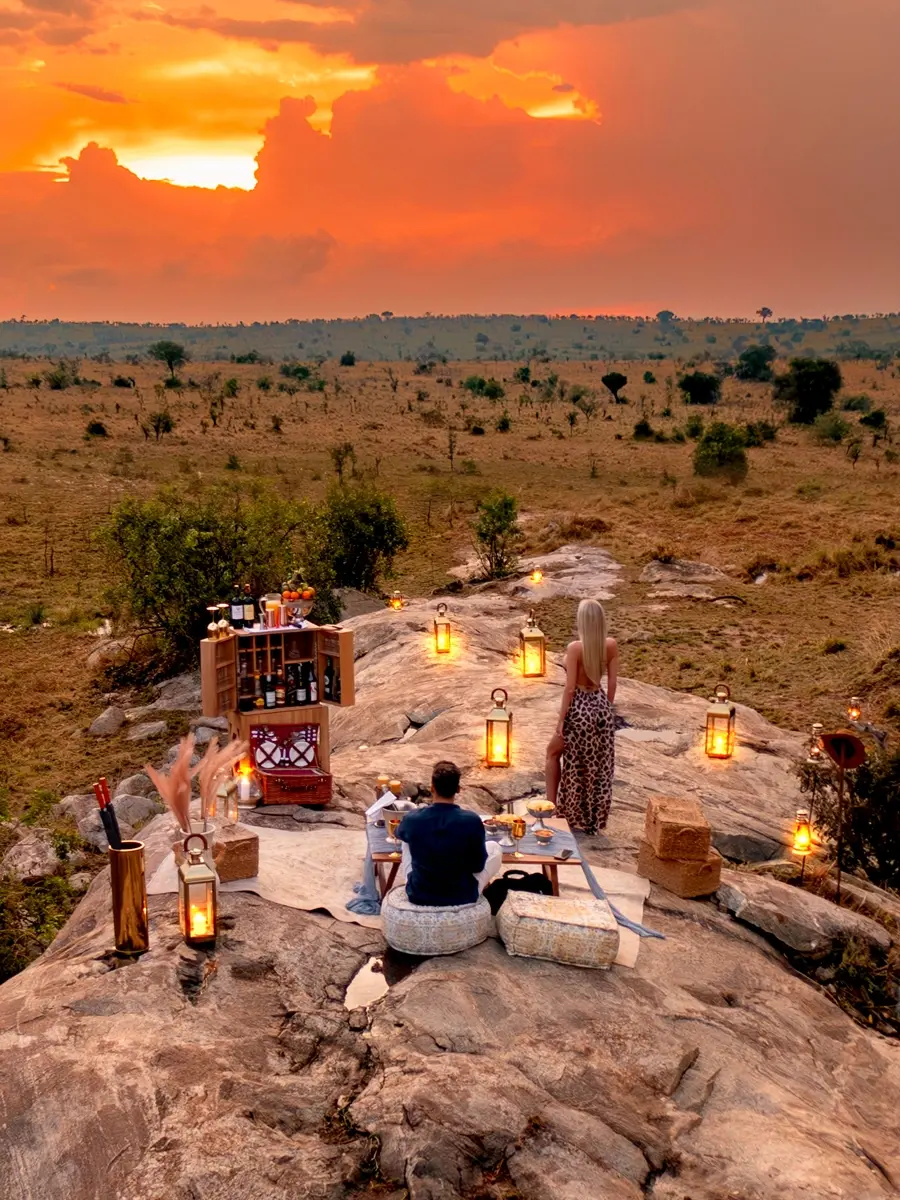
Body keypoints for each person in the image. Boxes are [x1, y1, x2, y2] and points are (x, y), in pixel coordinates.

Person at [545, 599, 618, 835]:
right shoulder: (610, 646)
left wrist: (561, 721)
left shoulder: (575, 648)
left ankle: (550, 809)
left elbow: (569, 689)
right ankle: (591, 817)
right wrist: (605, 709)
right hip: (601, 705)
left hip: (579, 707)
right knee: (596, 764)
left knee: (555, 753)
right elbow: (613, 683)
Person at [396, 761, 502, 906]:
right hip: (462, 895)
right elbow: (477, 866)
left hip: (419, 894)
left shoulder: (412, 818)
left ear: (432, 788)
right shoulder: (472, 820)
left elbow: (398, 833)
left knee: (406, 837)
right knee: (494, 847)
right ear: (458, 789)